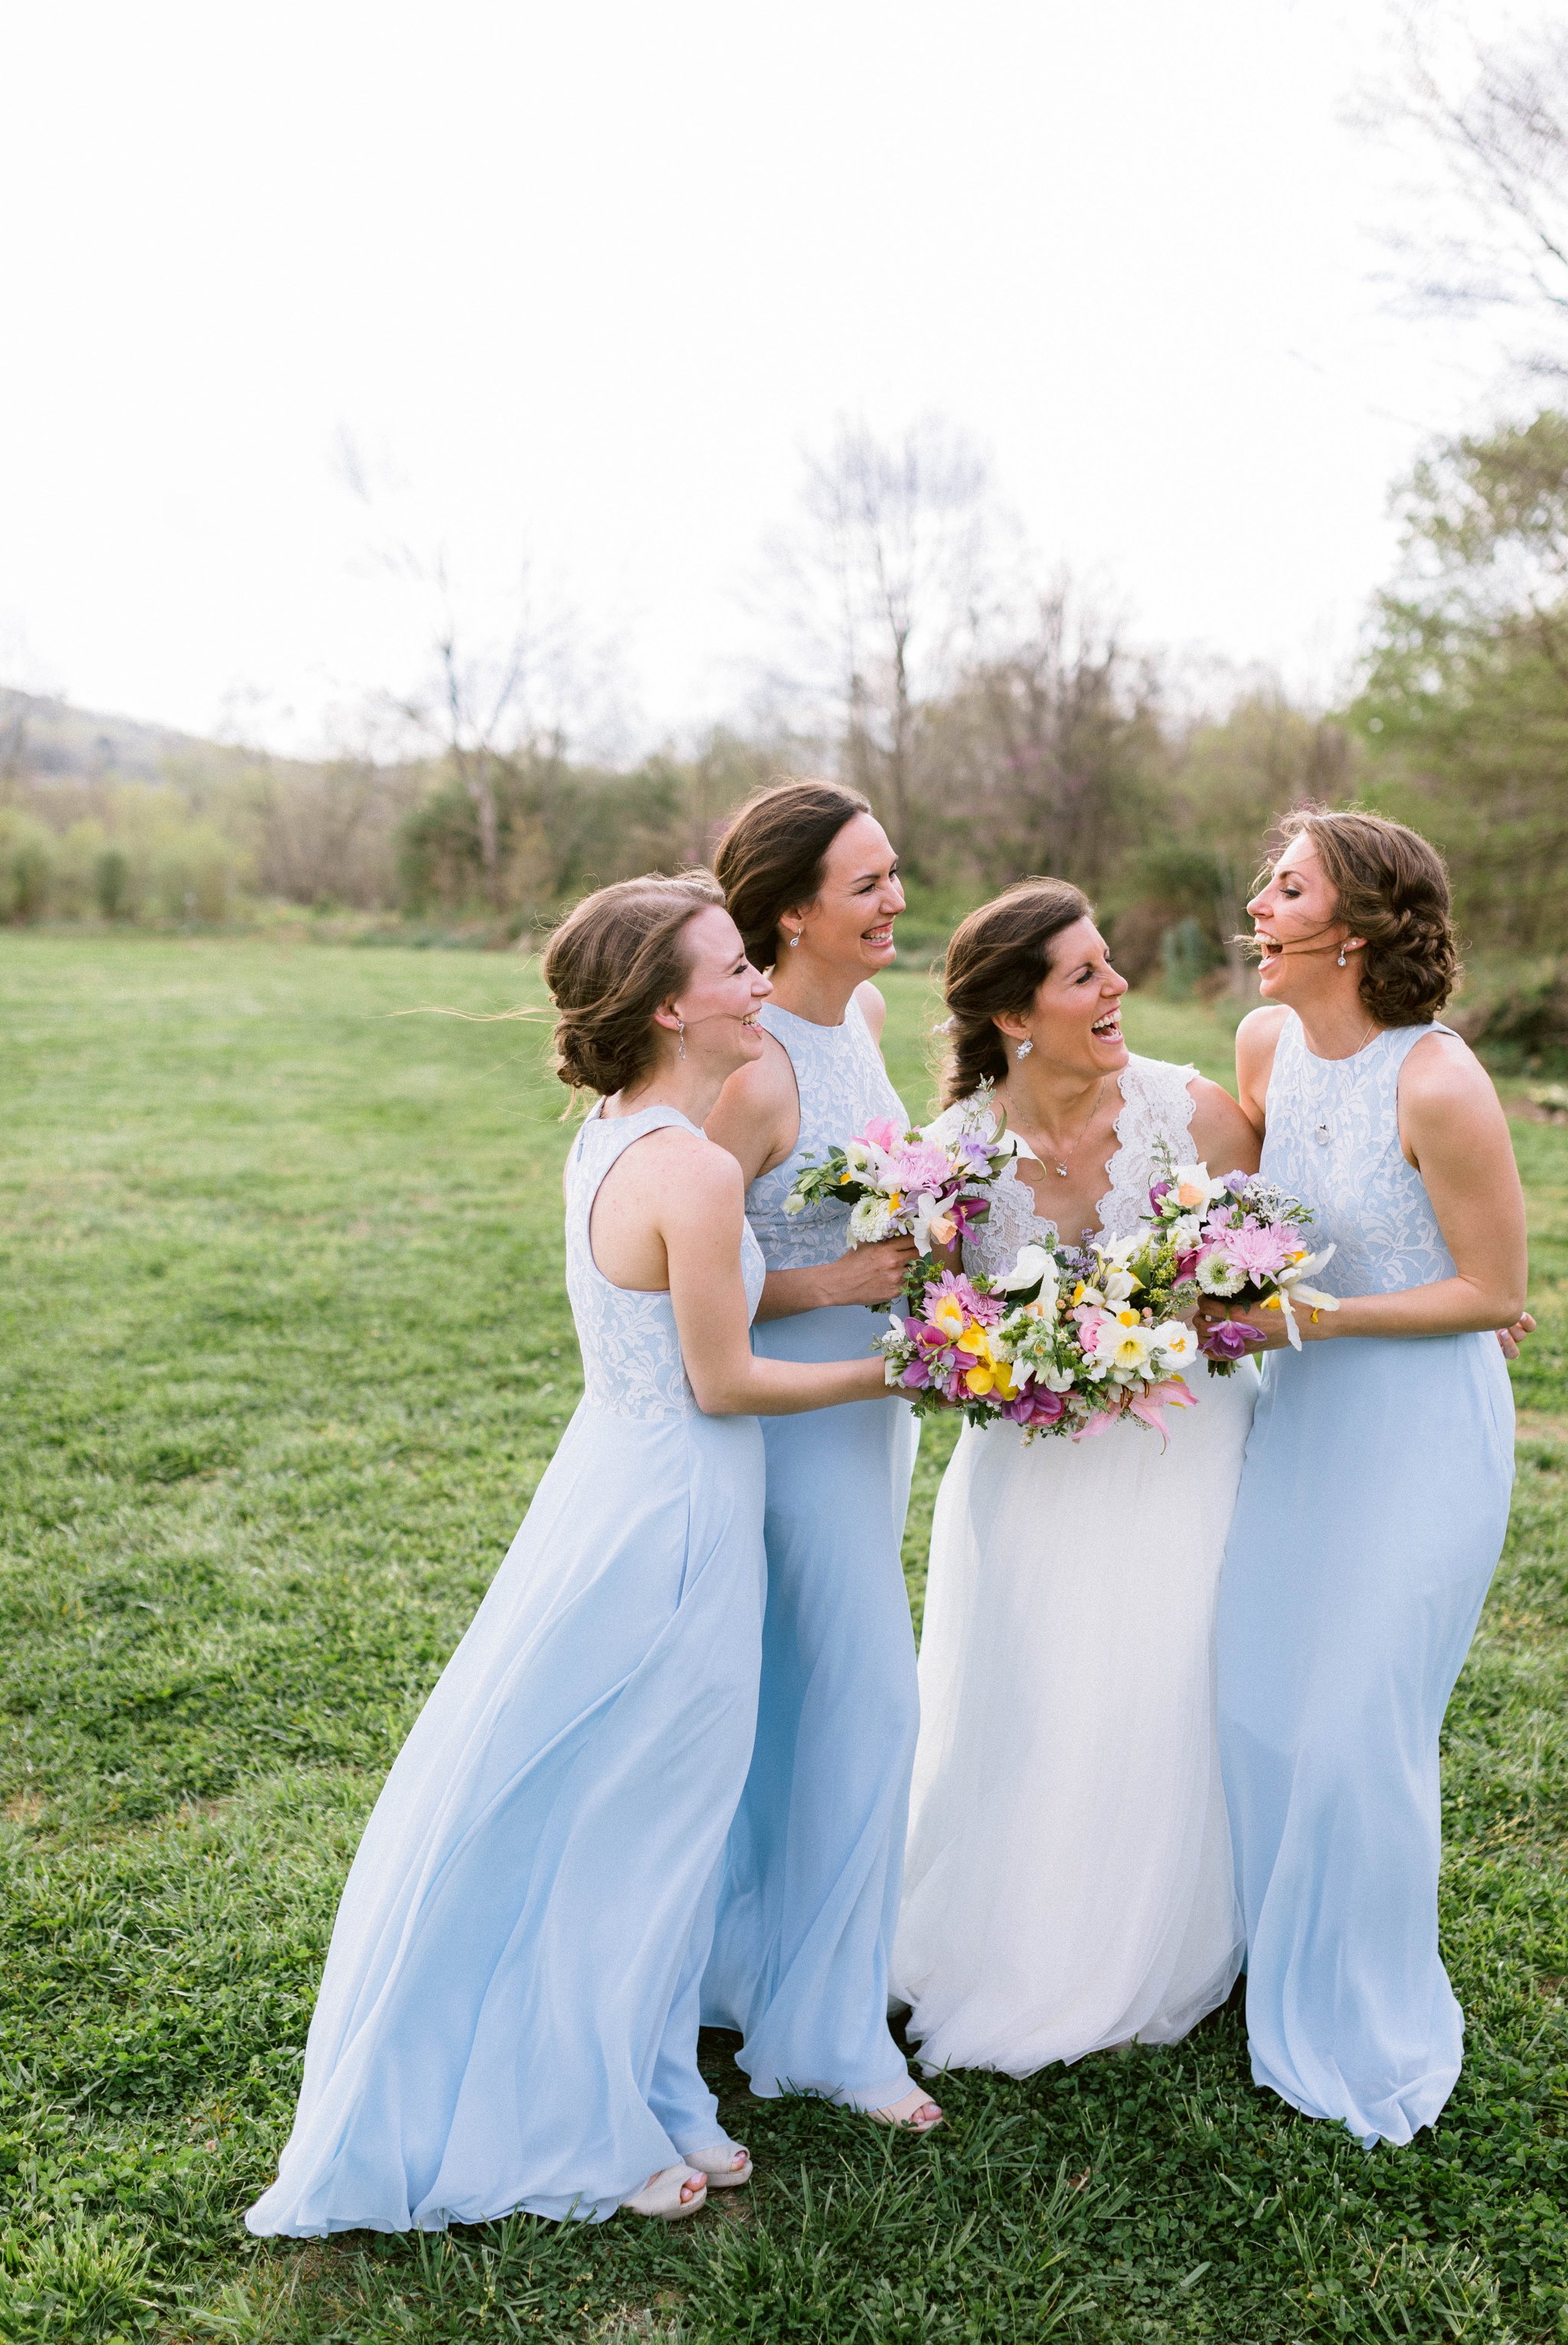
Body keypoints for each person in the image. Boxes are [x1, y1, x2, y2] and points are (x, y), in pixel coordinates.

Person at [245, 874, 900, 2236]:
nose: (758, 984)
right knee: (646, 1824)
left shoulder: (615, 1138)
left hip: (616, 1487)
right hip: (675, 1518)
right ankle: (598, 2124)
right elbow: (726, 1382)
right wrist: (902, 1366)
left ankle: (663, 2087)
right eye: (733, 967)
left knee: (650, 1813)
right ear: (671, 1005)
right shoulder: (696, 1166)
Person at [891, 880, 1265, 2072]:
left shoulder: (1191, 1113)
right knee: (1034, 1685)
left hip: (1185, 1451)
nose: (1117, 992)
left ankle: (1165, 1925)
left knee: (1161, 1683)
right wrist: (1002, 1358)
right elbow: (933, 1326)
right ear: (1014, 1013)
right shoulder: (948, 1158)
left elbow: (1269, 1283)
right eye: (1085, 976)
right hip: (1027, 1468)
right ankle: (1022, 1928)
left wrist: (1172, 1329)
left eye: (1111, 967)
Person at [1211, 808, 1527, 2148]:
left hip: (1416, 1434)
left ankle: (1364, 2003)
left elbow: (1494, 1289)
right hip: (1299, 1423)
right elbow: (1236, 1226)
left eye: (1285, 889)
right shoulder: (1265, 1045)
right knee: (1264, 1696)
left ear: (1354, 930)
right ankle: (1267, 1951)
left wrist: (1322, 1318)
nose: (1258, 905)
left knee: (1359, 1721)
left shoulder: (1439, 1081)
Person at [699, 779, 940, 2130]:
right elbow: (681, 1289)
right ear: (792, 914)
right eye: (868, 885)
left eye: (892, 874)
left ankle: (754, 1964)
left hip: (871, 1405)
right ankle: (831, 2038)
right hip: (790, 1410)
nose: (896, 899)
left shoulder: (864, 1016)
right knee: (863, 1697)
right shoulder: (754, 1074)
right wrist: (838, 1277)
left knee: (793, 1699)